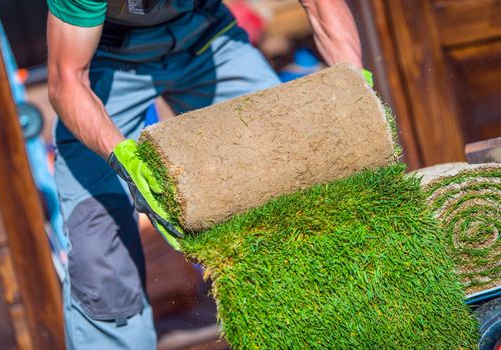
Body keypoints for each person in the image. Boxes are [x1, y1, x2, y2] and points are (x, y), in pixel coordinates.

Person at [46, 0, 364, 348]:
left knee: (286, 181)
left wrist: (353, 86)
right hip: (103, 61)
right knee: (99, 250)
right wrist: (126, 160)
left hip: (206, 37)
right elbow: (67, 80)